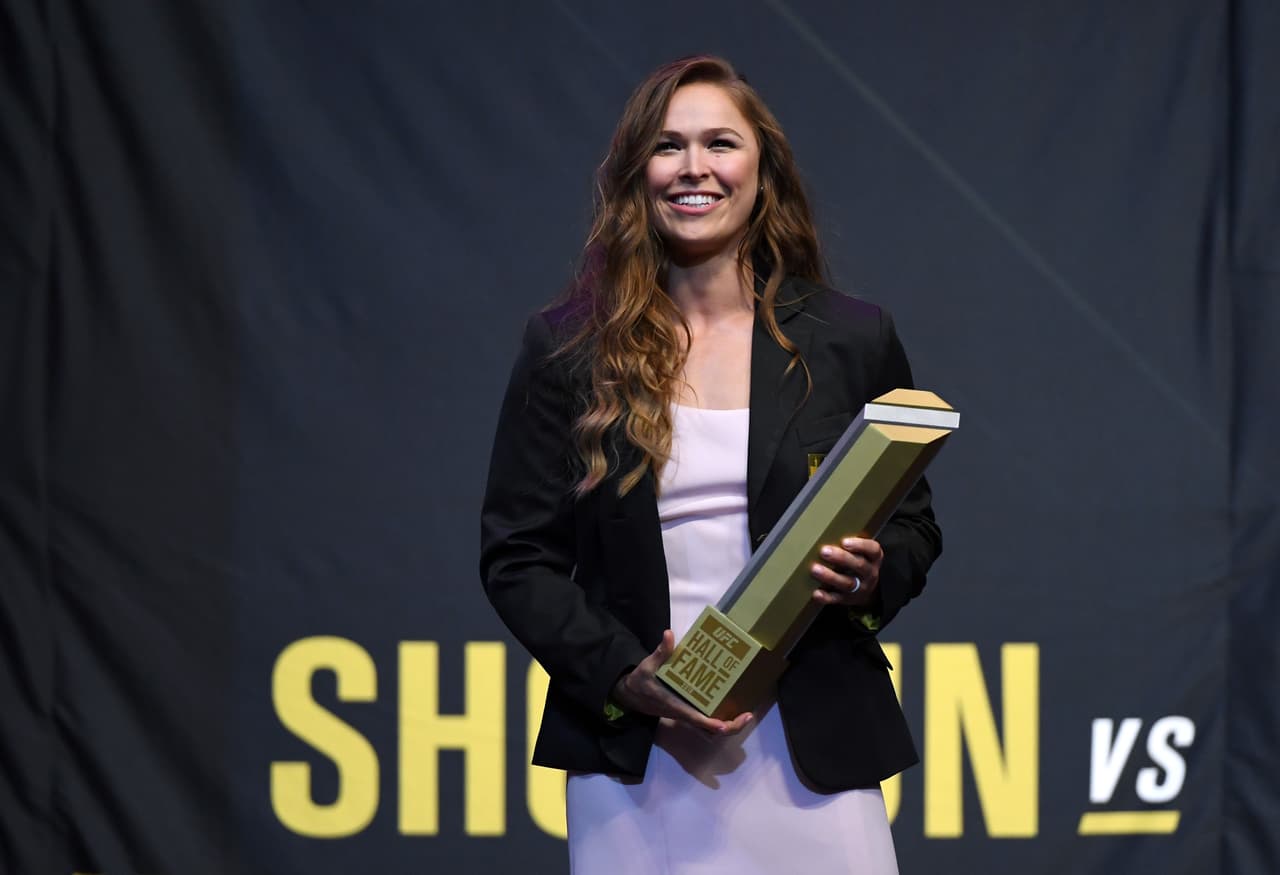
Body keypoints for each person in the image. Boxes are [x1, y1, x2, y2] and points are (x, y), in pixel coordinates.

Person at [480, 55, 941, 874]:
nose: (695, 167)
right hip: (636, 755)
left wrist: (872, 574)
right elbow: (518, 556)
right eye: (668, 146)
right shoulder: (568, 348)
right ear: (636, 176)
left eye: (720, 143)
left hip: (812, 749)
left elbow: (911, 526)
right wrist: (626, 675)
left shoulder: (850, 337)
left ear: (762, 171)